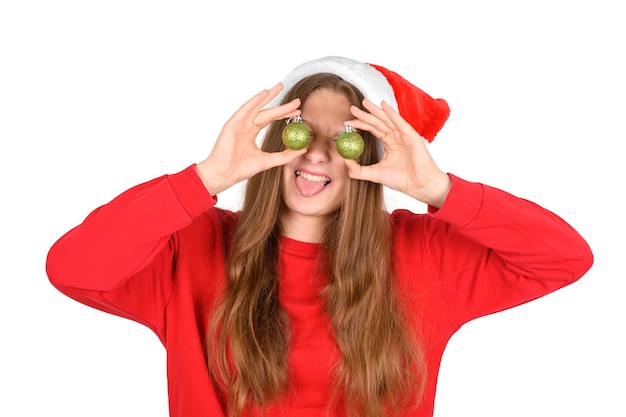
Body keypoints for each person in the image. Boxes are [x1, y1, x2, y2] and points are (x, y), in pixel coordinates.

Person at [46, 56, 593, 417]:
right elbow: (72, 268)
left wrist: (440, 188)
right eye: (301, 130)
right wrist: (203, 179)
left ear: (374, 156)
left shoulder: (421, 253)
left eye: (349, 138)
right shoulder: (193, 246)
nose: (316, 153)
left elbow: (564, 258)